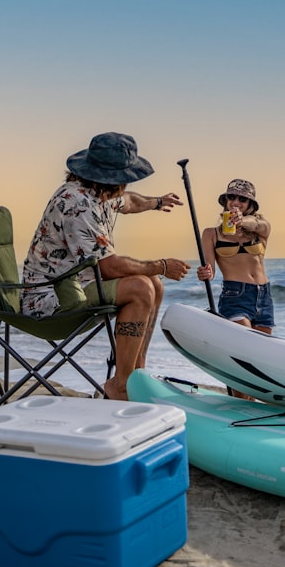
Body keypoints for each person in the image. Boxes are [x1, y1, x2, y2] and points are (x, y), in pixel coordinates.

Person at [21, 132, 191, 400]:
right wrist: (161, 265)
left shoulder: (99, 193)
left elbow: (130, 201)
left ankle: (136, 373)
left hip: (79, 285)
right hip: (51, 296)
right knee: (140, 288)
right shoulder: (77, 203)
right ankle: (120, 386)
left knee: (154, 285)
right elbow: (109, 267)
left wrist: (157, 202)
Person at [196, 178, 274, 334]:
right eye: (231, 197)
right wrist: (205, 272)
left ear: (250, 204)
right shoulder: (211, 234)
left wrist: (242, 221)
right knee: (246, 337)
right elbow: (210, 269)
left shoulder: (261, 227)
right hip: (235, 295)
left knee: (261, 347)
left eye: (243, 199)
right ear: (225, 201)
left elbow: (256, 224)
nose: (236, 202)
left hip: (263, 296)